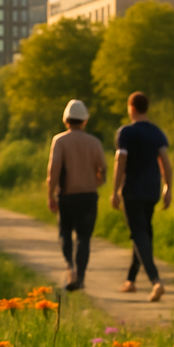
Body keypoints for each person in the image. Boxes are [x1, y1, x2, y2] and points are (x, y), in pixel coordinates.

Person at [111, 92, 172, 302]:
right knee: (144, 231)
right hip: (152, 188)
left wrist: (115, 190)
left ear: (131, 107)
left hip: (133, 189)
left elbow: (121, 160)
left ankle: (156, 281)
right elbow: (165, 162)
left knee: (138, 234)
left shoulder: (126, 132)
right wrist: (168, 188)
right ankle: (131, 280)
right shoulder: (157, 132)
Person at [47, 99, 107, 291]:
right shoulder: (94, 142)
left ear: (66, 121)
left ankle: (70, 267)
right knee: (84, 237)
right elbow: (103, 169)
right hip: (89, 195)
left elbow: (53, 170)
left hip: (67, 196)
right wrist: (97, 181)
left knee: (65, 232)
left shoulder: (60, 141)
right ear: (85, 121)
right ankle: (80, 277)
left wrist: (51, 194)